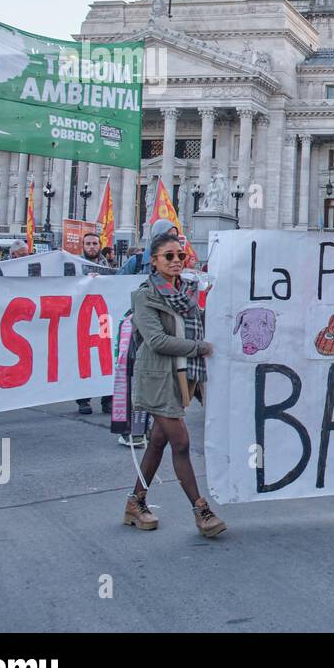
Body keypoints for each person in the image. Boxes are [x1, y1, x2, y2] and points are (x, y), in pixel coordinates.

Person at [122, 220, 226, 537]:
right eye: (168, 256)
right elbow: (157, 341)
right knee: (180, 442)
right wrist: (200, 348)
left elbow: (204, 323)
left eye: (179, 255)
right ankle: (201, 510)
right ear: (153, 260)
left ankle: (135, 502)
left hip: (184, 376)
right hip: (156, 377)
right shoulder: (144, 297)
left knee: (158, 442)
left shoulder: (187, 293)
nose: (177, 261)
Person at [76, 230, 116, 415]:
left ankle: (107, 399)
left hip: (103, 318)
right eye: (88, 244)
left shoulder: (109, 266)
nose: (91, 247)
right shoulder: (74, 265)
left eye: (94, 243)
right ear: (83, 246)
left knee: (106, 358)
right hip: (81, 319)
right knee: (83, 359)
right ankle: (83, 400)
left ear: (100, 245)